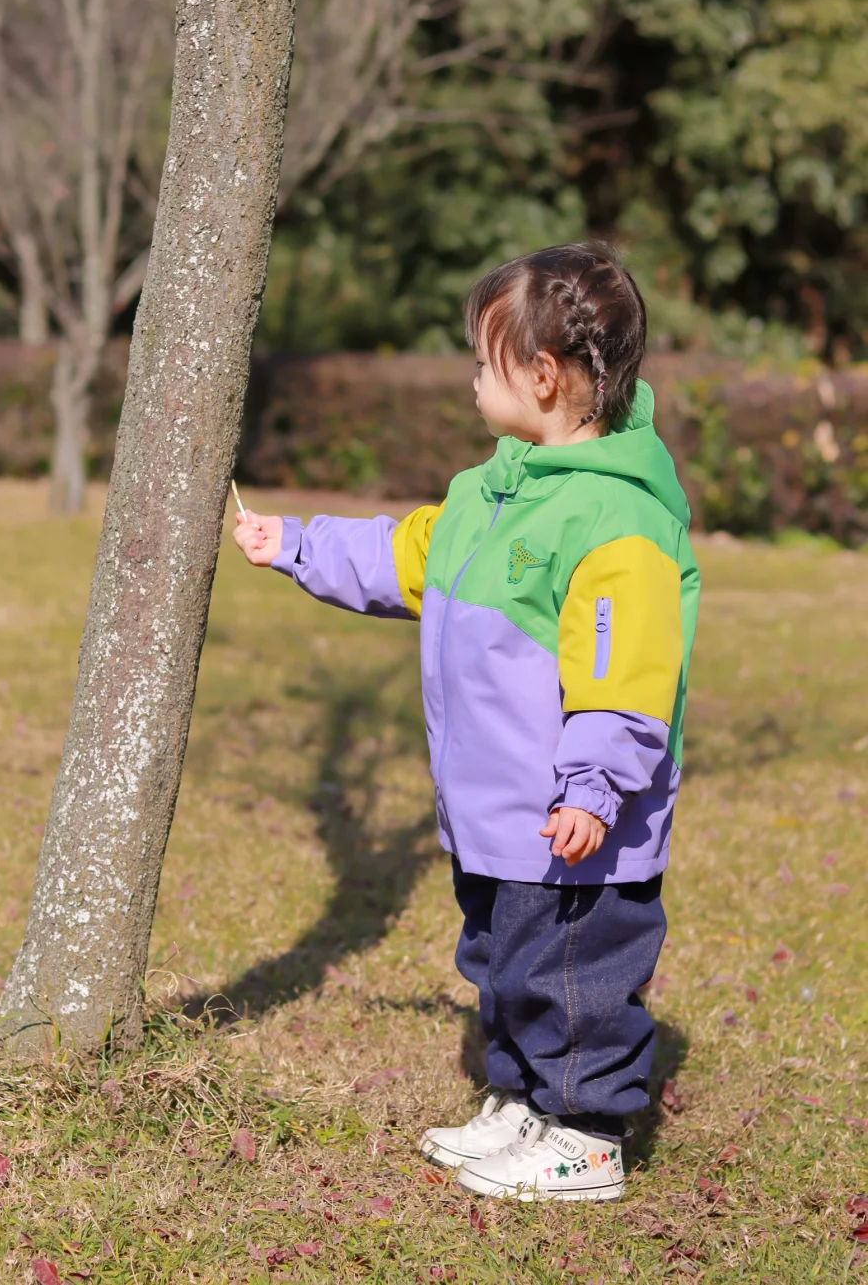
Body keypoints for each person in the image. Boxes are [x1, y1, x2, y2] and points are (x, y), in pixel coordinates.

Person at [232, 243, 700, 1202]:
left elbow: (625, 673)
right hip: (496, 810)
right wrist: (297, 544)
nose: (471, 378)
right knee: (504, 961)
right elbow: (405, 556)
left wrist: (595, 787)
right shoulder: (488, 493)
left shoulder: (616, 519)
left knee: (572, 976)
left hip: (572, 821)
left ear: (542, 375)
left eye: (484, 361)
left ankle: (586, 1133)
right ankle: (524, 1101)